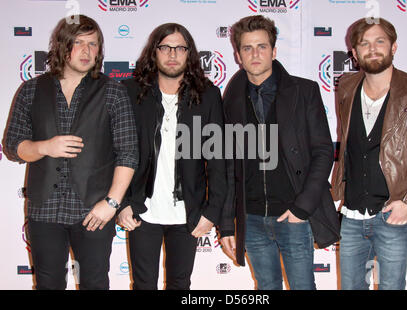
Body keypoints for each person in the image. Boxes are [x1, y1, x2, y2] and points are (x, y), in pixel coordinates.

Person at [3, 15, 138, 290]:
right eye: (78, 43)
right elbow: (12, 146)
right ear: (63, 46)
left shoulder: (113, 92)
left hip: (94, 209)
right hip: (44, 209)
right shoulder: (31, 90)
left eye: (93, 44)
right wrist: (44, 147)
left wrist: (111, 204)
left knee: (95, 284)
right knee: (48, 285)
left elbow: (128, 153)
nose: (87, 51)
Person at [219, 15, 340, 290]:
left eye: (262, 47)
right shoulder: (231, 98)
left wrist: (302, 207)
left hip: (293, 215)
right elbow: (227, 165)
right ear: (238, 55)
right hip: (250, 218)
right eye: (247, 48)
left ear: (274, 51)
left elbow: (323, 151)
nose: (255, 54)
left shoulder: (304, 91)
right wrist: (227, 224)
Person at [332, 17, 407, 290]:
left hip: (393, 217)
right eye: (364, 43)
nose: (372, 49)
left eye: (380, 41)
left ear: (394, 47)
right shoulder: (347, 87)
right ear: (354, 53)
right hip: (350, 216)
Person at [118, 23, 227, 290]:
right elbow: (116, 153)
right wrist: (121, 203)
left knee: (180, 284)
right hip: (142, 210)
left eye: (180, 48)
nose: (172, 54)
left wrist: (212, 211)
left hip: (187, 212)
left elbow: (218, 160)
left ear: (189, 54)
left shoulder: (207, 95)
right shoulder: (131, 92)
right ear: (153, 52)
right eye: (165, 47)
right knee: (143, 284)